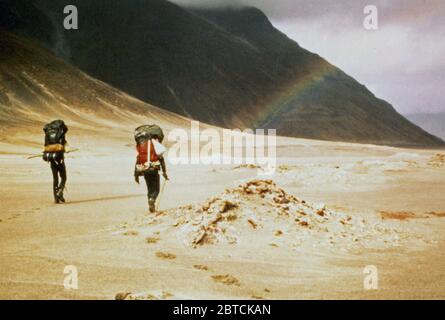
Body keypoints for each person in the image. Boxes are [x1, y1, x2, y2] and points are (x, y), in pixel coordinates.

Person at [135, 136, 169, 213]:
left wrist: (136, 175)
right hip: (154, 170)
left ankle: (151, 205)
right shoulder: (156, 149)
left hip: (145, 170)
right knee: (156, 189)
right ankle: (152, 200)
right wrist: (164, 173)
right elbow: (162, 161)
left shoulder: (143, 149)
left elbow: (137, 161)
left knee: (149, 188)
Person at [43, 120, 68, 204]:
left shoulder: (47, 135)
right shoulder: (61, 134)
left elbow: (45, 146)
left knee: (55, 178)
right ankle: (60, 191)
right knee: (64, 177)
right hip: (59, 158)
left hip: (51, 158)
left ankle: (56, 198)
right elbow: (66, 129)